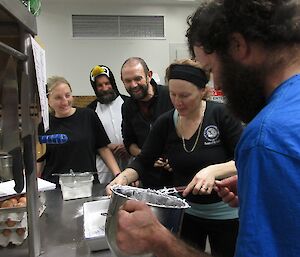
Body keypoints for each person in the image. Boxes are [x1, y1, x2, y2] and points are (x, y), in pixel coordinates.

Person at [115, 1, 300, 257]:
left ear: (238, 46)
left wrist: (160, 241)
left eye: (213, 69)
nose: (219, 83)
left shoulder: (267, 138)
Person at [109, 59, 243, 257]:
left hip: (227, 215)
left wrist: (213, 171)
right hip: (186, 214)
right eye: (173, 94)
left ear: (203, 91)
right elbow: (143, 160)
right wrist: (122, 178)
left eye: (185, 95)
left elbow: (245, 160)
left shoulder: (221, 115)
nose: (178, 102)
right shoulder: (166, 123)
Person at [37, 76, 121, 185]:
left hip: (87, 185)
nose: (65, 101)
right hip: (55, 188)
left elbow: (103, 149)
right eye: (58, 97)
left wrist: (118, 175)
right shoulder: (44, 125)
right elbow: (39, 160)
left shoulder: (88, 116)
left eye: (67, 95)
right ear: (47, 100)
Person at [120, 57, 174, 188]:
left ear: (149, 75)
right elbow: (129, 142)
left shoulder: (170, 96)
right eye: (128, 81)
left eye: (138, 79)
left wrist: (175, 157)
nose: (133, 85)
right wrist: (147, 156)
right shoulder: (127, 106)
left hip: (177, 176)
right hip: (148, 179)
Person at [87, 65, 131, 184]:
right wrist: (107, 146)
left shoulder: (129, 103)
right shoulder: (90, 110)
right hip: (103, 166)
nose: (105, 88)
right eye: (100, 85)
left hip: (130, 159)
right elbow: (89, 140)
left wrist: (128, 147)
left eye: (107, 83)